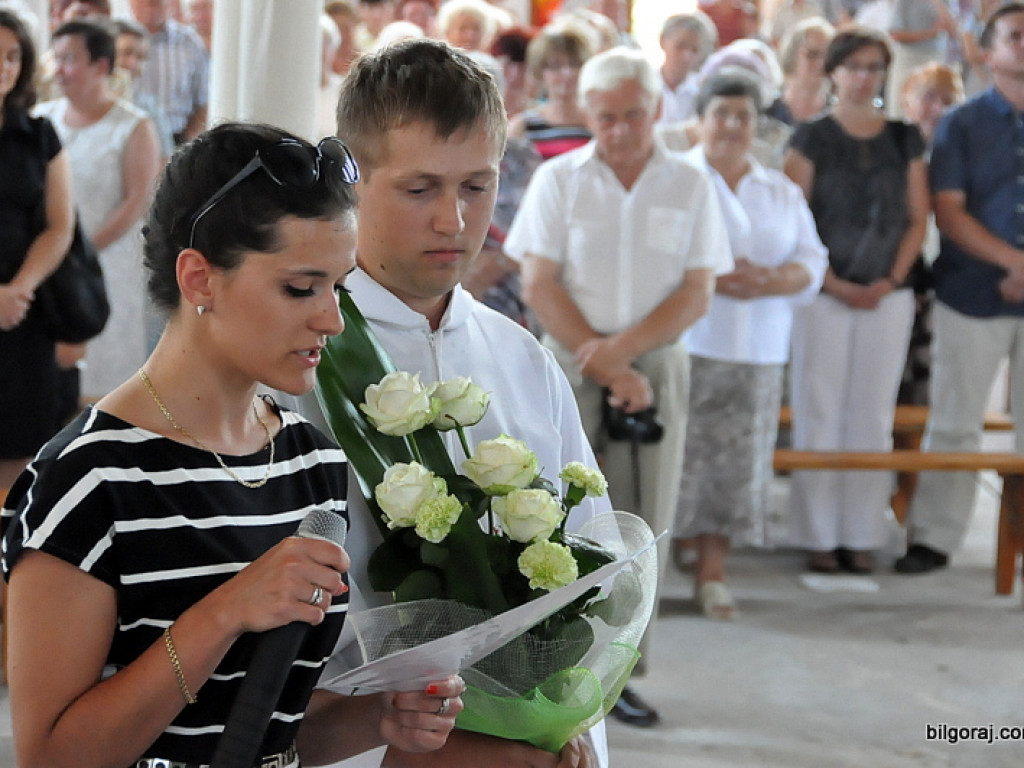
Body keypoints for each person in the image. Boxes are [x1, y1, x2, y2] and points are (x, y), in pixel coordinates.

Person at [1, 120, 465, 767]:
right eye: (300, 288)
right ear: (199, 279)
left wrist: (380, 717)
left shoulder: (311, 460)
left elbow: (265, 732)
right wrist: (222, 614)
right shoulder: (86, 480)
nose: (331, 319)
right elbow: (50, 757)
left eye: (338, 287)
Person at [276, 38, 607, 767]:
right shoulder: (297, 360)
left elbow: (586, 563)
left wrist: (561, 720)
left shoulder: (523, 359)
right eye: (420, 189)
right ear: (353, 179)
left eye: (477, 187)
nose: (454, 221)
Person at [505, 45, 731, 727]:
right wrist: (602, 362)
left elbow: (698, 290)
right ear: (588, 113)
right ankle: (552, 664)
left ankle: (622, 673)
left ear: (656, 110)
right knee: (553, 513)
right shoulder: (559, 179)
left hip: (653, 361)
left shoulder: (690, 183)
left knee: (643, 522)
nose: (621, 130)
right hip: (571, 356)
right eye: (606, 117)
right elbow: (538, 282)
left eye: (634, 115)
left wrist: (624, 358)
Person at [673, 69, 827, 619]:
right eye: (722, 114)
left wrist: (771, 279)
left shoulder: (779, 189)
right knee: (679, 462)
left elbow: (812, 260)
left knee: (735, 469)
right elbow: (653, 256)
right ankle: (664, 562)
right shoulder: (675, 181)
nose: (732, 126)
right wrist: (711, 278)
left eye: (744, 116)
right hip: (687, 341)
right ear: (700, 120)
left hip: (758, 348)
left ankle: (713, 573)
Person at [784, 26, 929, 574]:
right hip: (823, 293)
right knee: (819, 408)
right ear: (834, 72)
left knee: (872, 412)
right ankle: (819, 535)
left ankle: (862, 532)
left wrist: (890, 279)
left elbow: (917, 218)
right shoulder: (812, 136)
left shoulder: (903, 137)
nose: (864, 77)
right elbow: (793, 219)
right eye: (854, 66)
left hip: (887, 294)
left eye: (874, 67)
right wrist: (833, 282)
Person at [895, 3, 1024, 574]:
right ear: (988, 52)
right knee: (954, 421)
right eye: (1015, 37)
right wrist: (1013, 262)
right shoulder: (962, 123)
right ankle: (935, 537)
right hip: (971, 291)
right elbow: (948, 211)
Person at [36, 20, 162, 402]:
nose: (59, 70)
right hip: (47, 263)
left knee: (107, 378)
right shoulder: (42, 119)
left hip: (107, 263)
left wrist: (82, 249)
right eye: (57, 58)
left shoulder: (133, 126)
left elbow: (137, 200)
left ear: (101, 66)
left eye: (69, 59)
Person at [0, 8, 74, 490]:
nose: (4, 67)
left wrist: (19, 289)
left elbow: (60, 225)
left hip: (23, 314)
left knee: (21, 452)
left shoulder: (38, 134)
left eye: (12, 56)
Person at [509, 21, 594, 159]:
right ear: (540, 71)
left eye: (575, 64)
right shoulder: (522, 127)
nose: (567, 73)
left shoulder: (596, 123)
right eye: (555, 66)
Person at [129, 0, 209, 144]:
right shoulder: (115, 37)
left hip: (178, 139)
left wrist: (187, 141)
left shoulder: (190, 42)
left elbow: (203, 101)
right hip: (127, 140)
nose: (150, 3)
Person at [885, 0, 958, 117]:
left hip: (935, 58)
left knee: (933, 106)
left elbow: (953, 30)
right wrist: (930, 33)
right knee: (901, 107)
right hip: (908, 59)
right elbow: (895, 34)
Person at [768, 16, 835, 126]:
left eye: (827, 56)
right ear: (792, 55)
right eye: (812, 54)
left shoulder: (839, 118)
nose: (821, 64)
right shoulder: (769, 113)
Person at [656, 11, 718, 126]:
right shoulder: (645, 86)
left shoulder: (702, 91)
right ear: (662, 41)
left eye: (694, 50)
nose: (686, 56)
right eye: (680, 46)